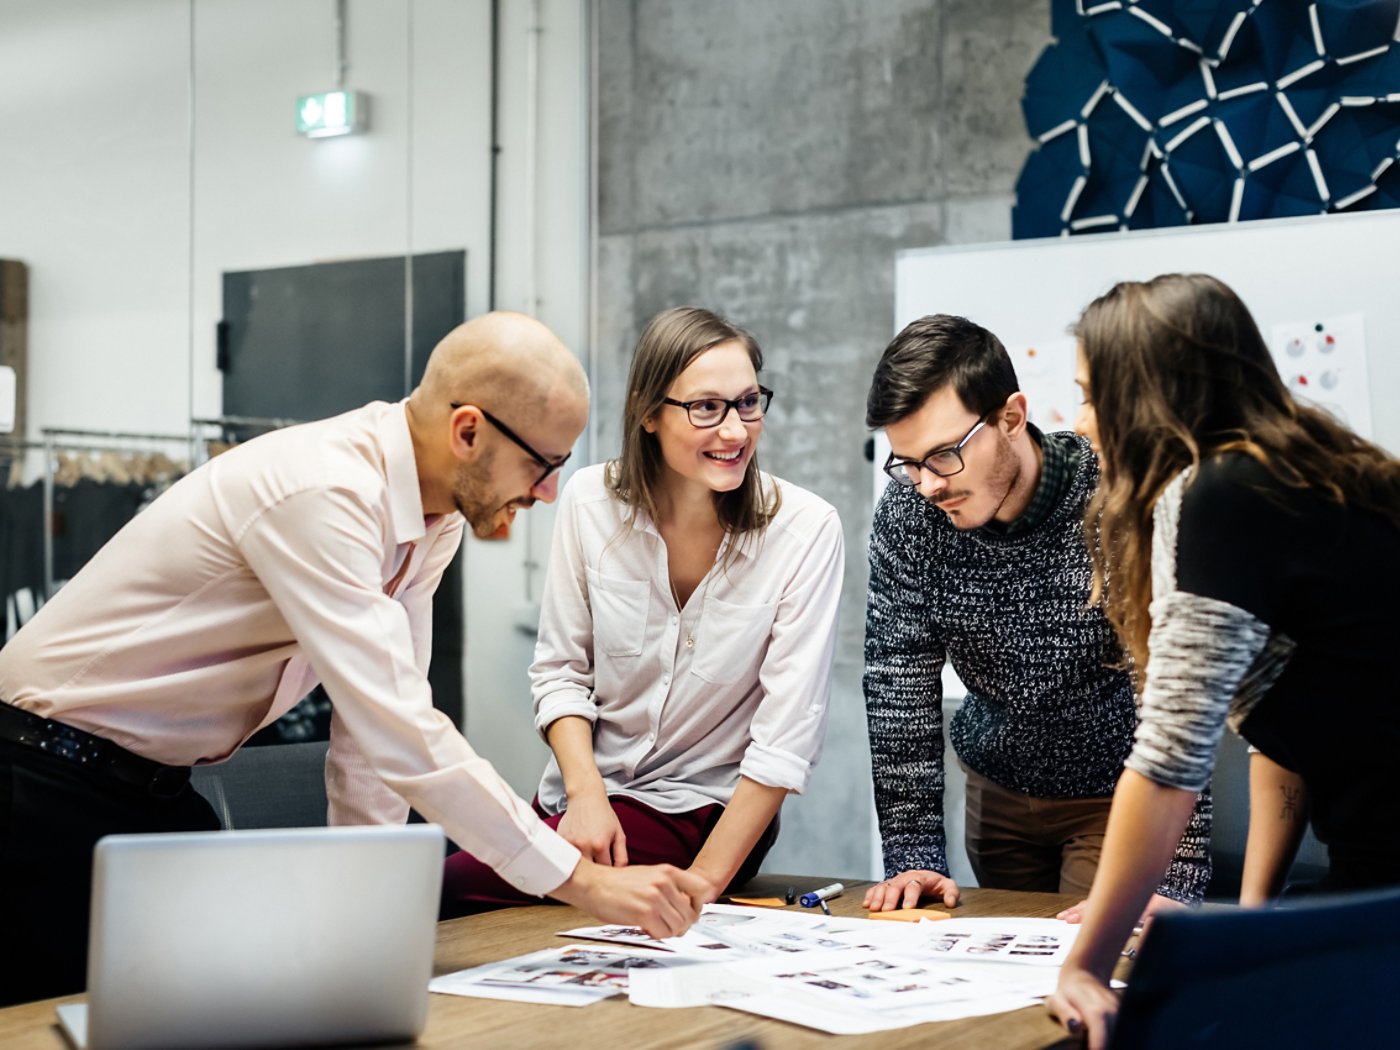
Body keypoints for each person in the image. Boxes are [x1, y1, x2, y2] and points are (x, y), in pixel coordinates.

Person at [0, 312, 707, 1008]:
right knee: (49, 1024)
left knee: (202, 1018)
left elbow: (373, 743)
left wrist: (360, 916)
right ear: (467, 431)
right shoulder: (325, 492)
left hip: (149, 790)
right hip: (42, 779)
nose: (549, 491)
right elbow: (402, 731)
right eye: (543, 463)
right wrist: (580, 881)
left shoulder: (433, 526)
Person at [1048, 274, 1400, 1048]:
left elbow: (1169, 763)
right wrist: (1251, 919)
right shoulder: (1308, 469)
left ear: (1146, 396)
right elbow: (1294, 715)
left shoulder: (1222, 495)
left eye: (1089, 395)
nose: (1079, 425)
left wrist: (1086, 963)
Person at [441, 307, 844, 915]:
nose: (735, 430)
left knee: (437, 887)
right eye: (706, 407)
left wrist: (705, 884)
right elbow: (560, 673)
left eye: (749, 402)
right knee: (447, 872)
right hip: (581, 801)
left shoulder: (805, 529)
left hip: (703, 814)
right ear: (649, 412)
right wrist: (585, 798)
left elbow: (784, 739)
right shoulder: (589, 503)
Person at [861, 313, 1211, 916]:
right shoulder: (910, 513)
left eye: (943, 455)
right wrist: (913, 849)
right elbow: (899, 680)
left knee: (1093, 970)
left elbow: (1174, 690)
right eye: (907, 462)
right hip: (996, 791)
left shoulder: (1115, 500)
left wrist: (1175, 878)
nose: (925, 485)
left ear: (1011, 417)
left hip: (1115, 795)